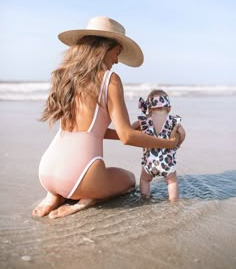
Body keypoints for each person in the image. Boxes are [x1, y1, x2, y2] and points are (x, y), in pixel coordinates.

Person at [32, 16, 183, 219]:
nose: (117, 60)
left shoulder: (67, 77)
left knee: (80, 179)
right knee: (129, 180)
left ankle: (54, 195)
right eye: (117, 53)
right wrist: (168, 143)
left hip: (47, 170)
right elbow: (127, 137)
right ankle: (86, 199)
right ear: (105, 48)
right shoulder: (109, 79)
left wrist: (133, 129)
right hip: (80, 175)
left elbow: (92, 133)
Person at [132, 89, 186, 201]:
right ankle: (173, 201)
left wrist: (143, 122)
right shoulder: (173, 121)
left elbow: (131, 128)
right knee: (172, 181)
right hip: (167, 162)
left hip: (149, 162)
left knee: (144, 180)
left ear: (149, 108)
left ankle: (145, 197)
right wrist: (177, 144)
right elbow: (183, 134)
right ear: (169, 108)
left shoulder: (145, 120)